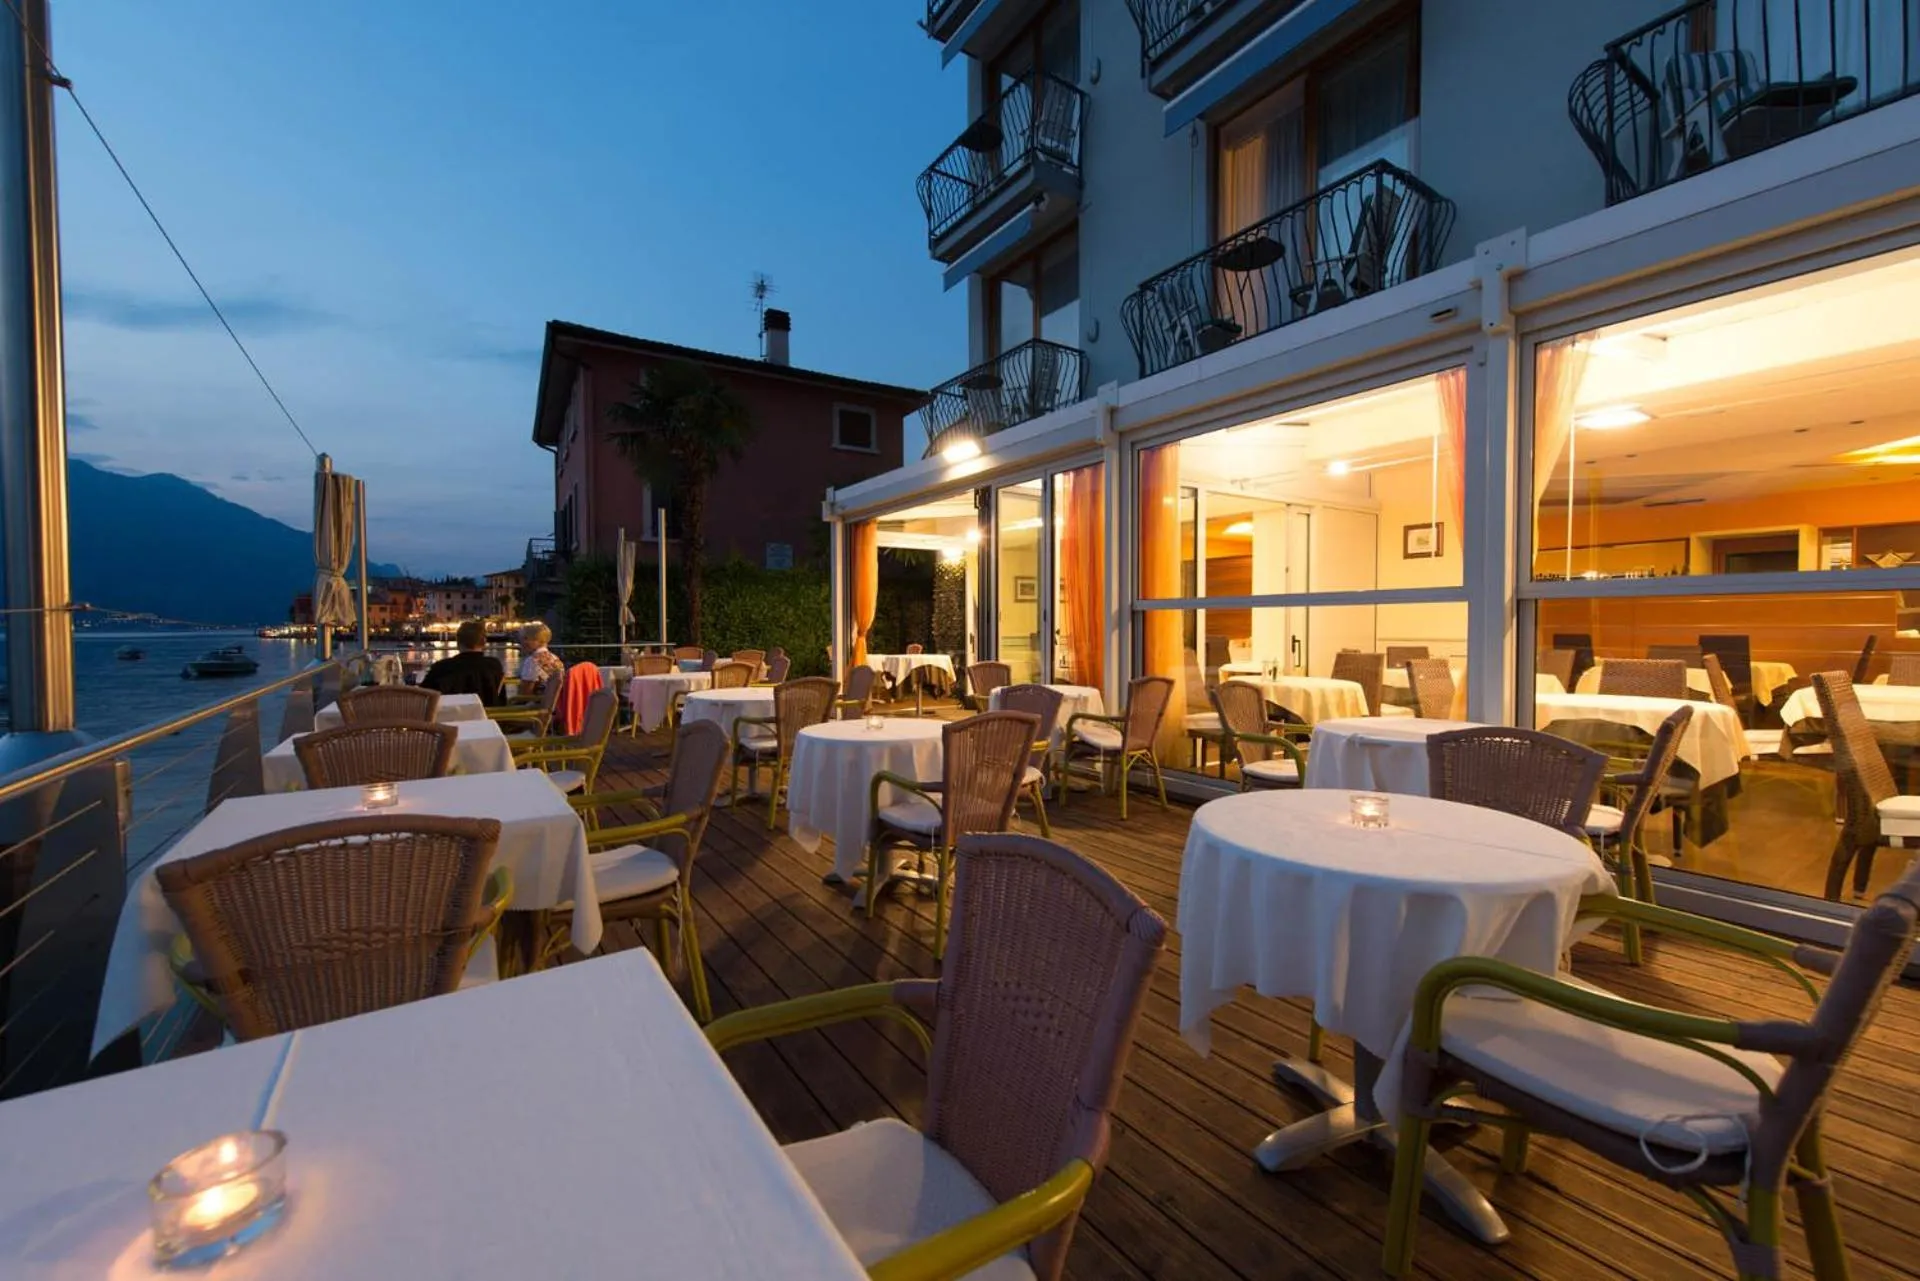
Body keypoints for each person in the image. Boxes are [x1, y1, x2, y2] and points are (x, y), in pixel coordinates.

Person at [421, 620, 506, 705]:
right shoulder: (494, 665)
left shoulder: (441, 667)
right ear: (484, 642)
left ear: (458, 642)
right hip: (487, 716)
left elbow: (423, 695)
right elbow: (501, 699)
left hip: (451, 716)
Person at [517, 622, 565, 691]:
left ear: (540, 641)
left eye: (526, 638)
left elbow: (525, 692)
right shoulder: (555, 658)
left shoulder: (532, 660)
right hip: (557, 700)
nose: (522, 642)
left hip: (539, 700)